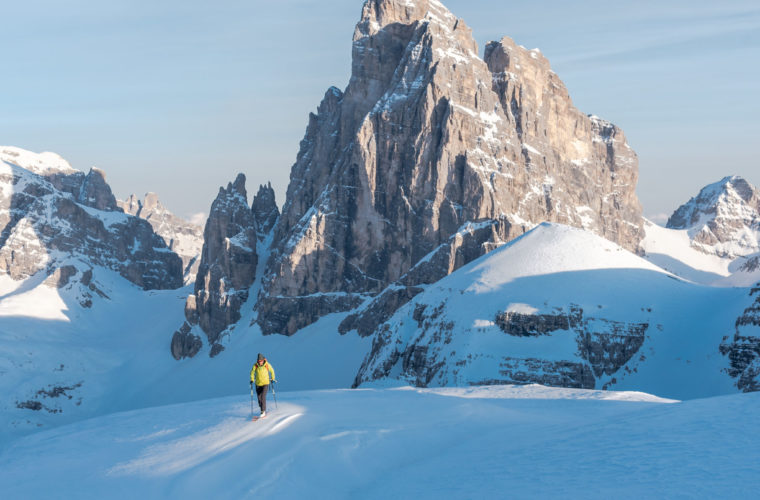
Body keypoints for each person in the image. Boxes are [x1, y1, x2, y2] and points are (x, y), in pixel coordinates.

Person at [250, 353, 276, 418]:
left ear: (263, 360)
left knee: (263, 397)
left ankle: (263, 411)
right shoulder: (255, 365)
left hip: (265, 383)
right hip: (258, 384)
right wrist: (252, 379)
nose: (260, 362)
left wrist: (273, 378)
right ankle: (261, 409)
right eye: (259, 361)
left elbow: (272, 370)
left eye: (261, 361)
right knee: (259, 398)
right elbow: (252, 372)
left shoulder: (267, 364)